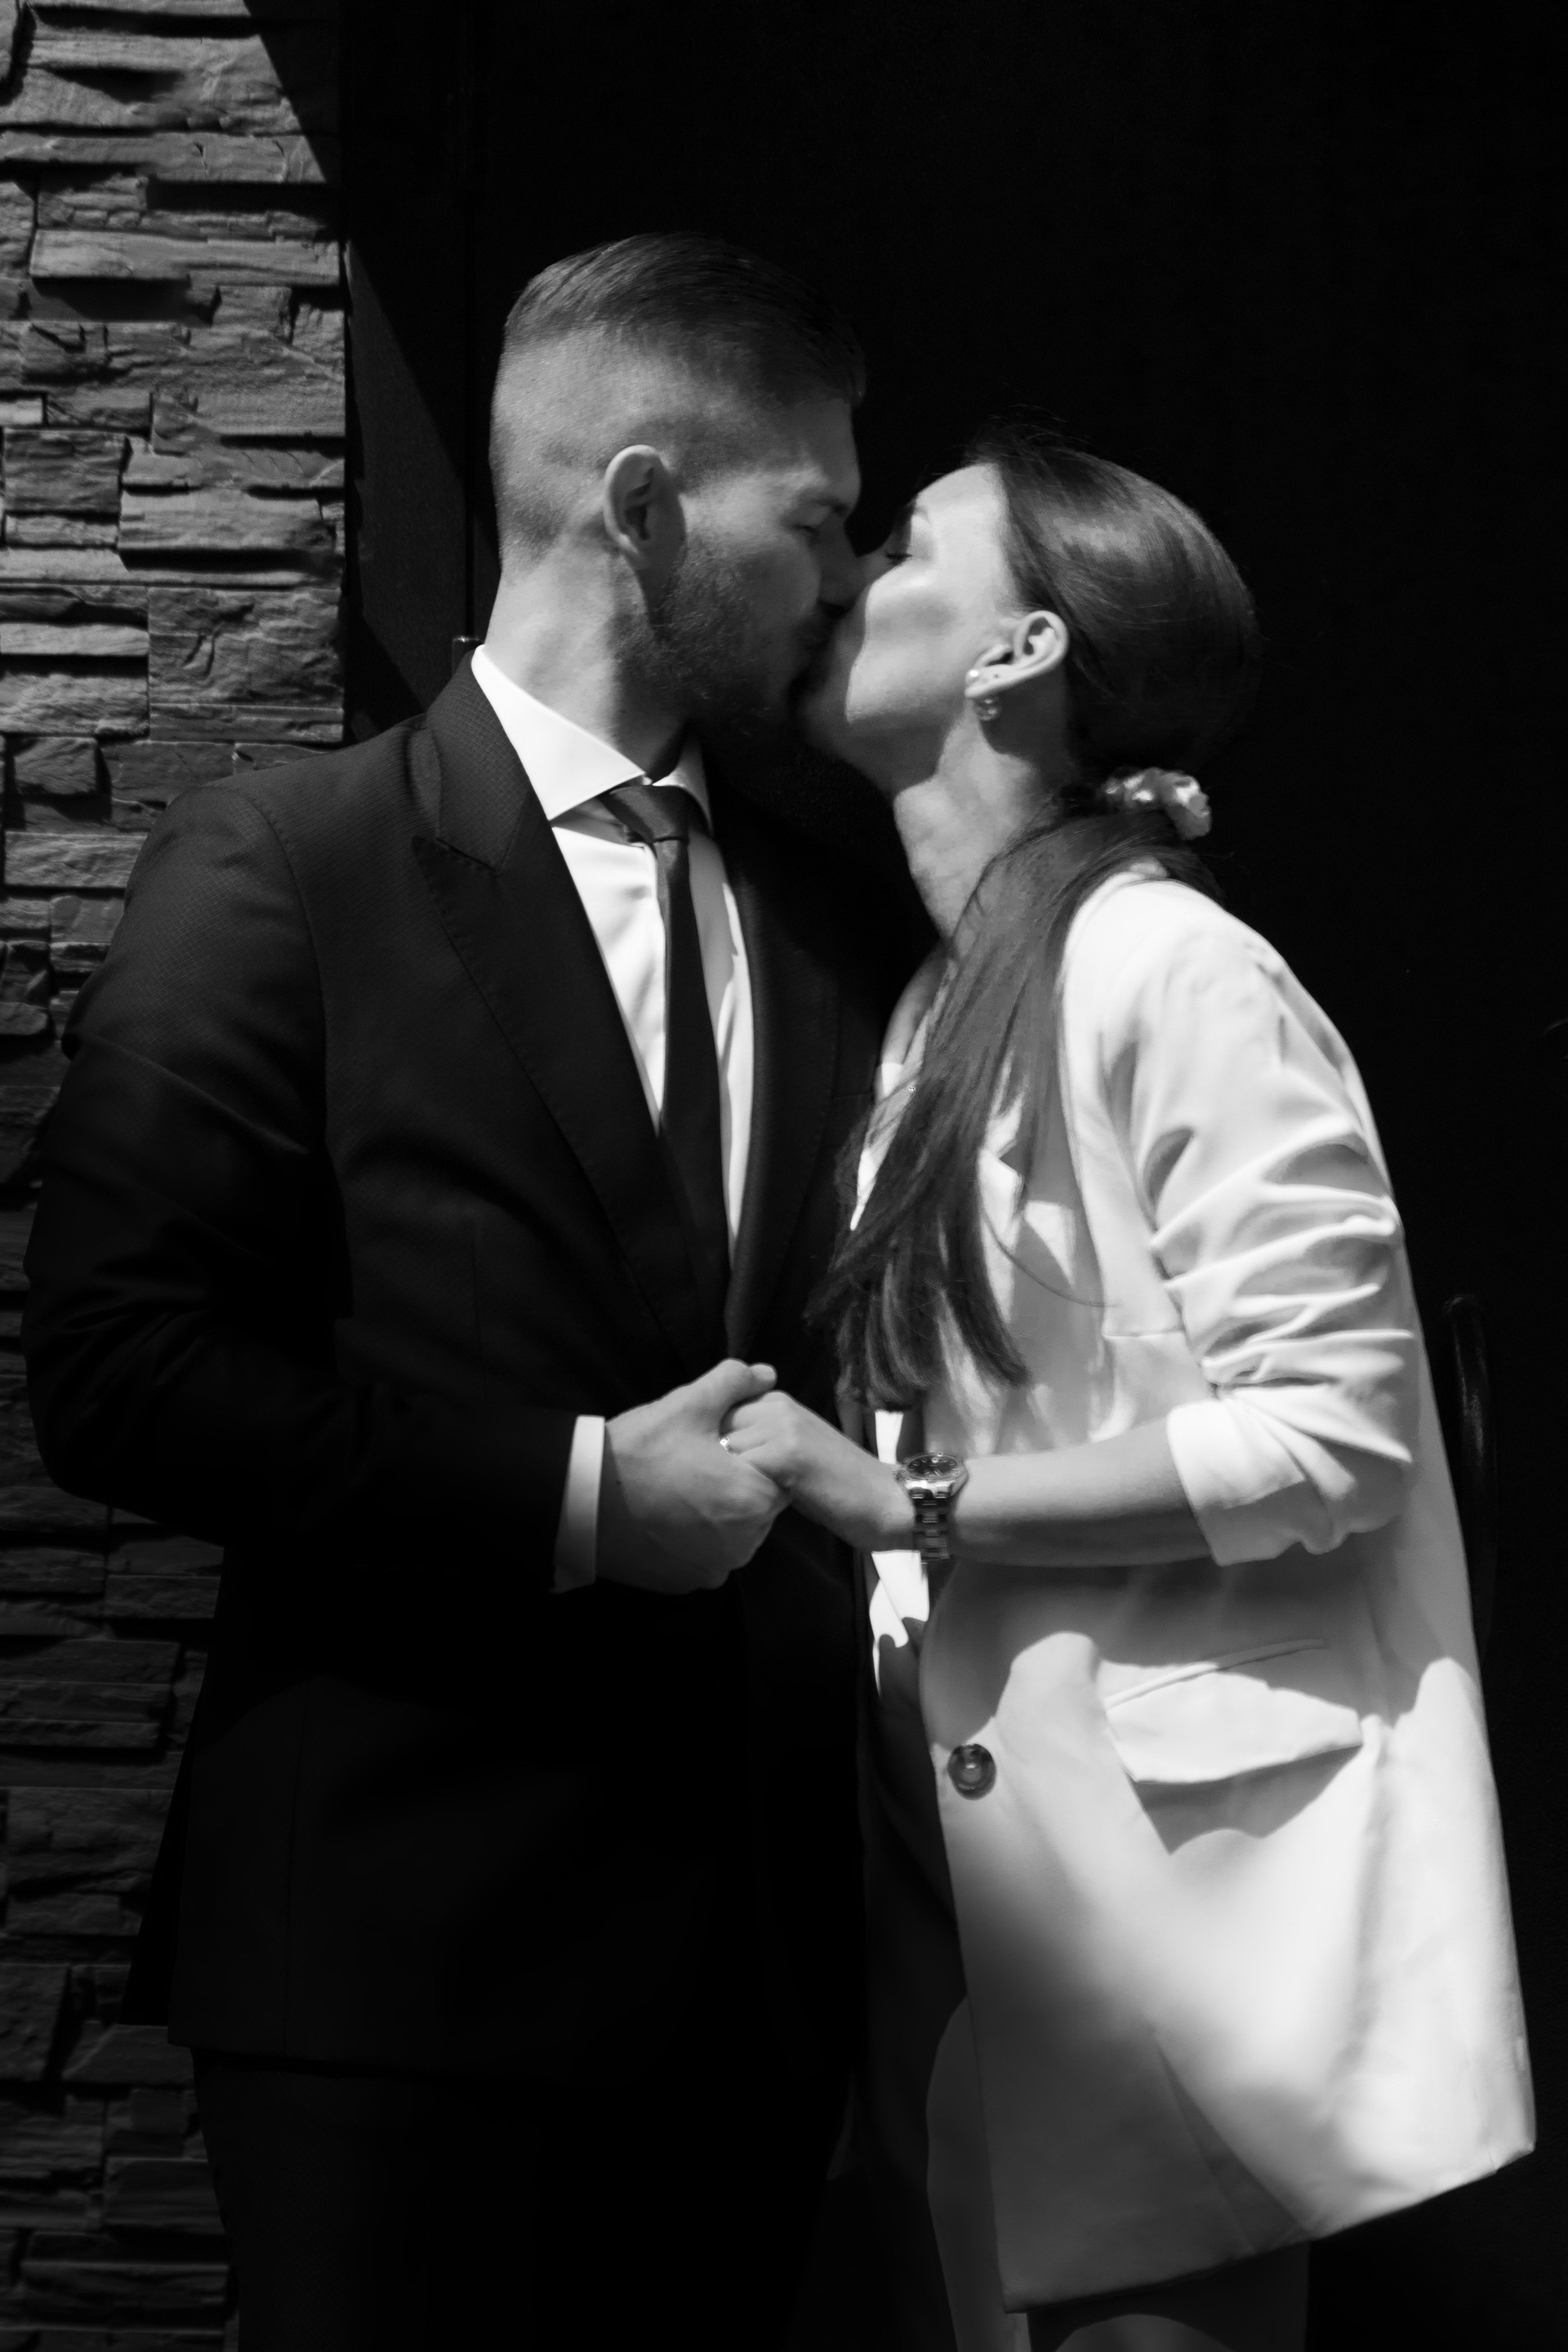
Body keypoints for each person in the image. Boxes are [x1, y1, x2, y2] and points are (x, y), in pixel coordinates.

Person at [21, 234, 905, 2350]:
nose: (852, 579)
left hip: (756, 1999)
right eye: (815, 520)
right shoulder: (289, 863)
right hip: (403, 1989)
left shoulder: (833, 920)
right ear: (645, 505)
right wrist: (583, 1493)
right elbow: (122, 1369)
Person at [722, 430, 1534, 2352]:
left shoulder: (1173, 969)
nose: (848, 572)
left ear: (1020, 652)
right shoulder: (942, 1006)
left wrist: (916, 1508)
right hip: (965, 1868)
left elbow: (1331, 1433)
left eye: (906, 544)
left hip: (1168, 1917)